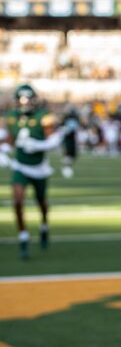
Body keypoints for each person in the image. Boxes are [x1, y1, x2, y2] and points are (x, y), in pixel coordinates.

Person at [2, 85, 66, 259]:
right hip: (20, 165)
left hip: (39, 167)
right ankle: (23, 236)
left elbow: (54, 140)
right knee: (17, 201)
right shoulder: (11, 117)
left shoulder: (43, 116)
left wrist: (35, 145)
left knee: (41, 202)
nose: (25, 103)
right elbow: (9, 140)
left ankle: (44, 225)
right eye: (21, 99)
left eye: (28, 99)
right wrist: (4, 149)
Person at [60, 104, 81, 178]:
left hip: (73, 138)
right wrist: (65, 130)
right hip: (67, 137)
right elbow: (61, 126)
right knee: (67, 153)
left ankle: (67, 166)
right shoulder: (66, 118)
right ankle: (66, 167)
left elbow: (77, 128)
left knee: (73, 155)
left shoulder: (76, 118)